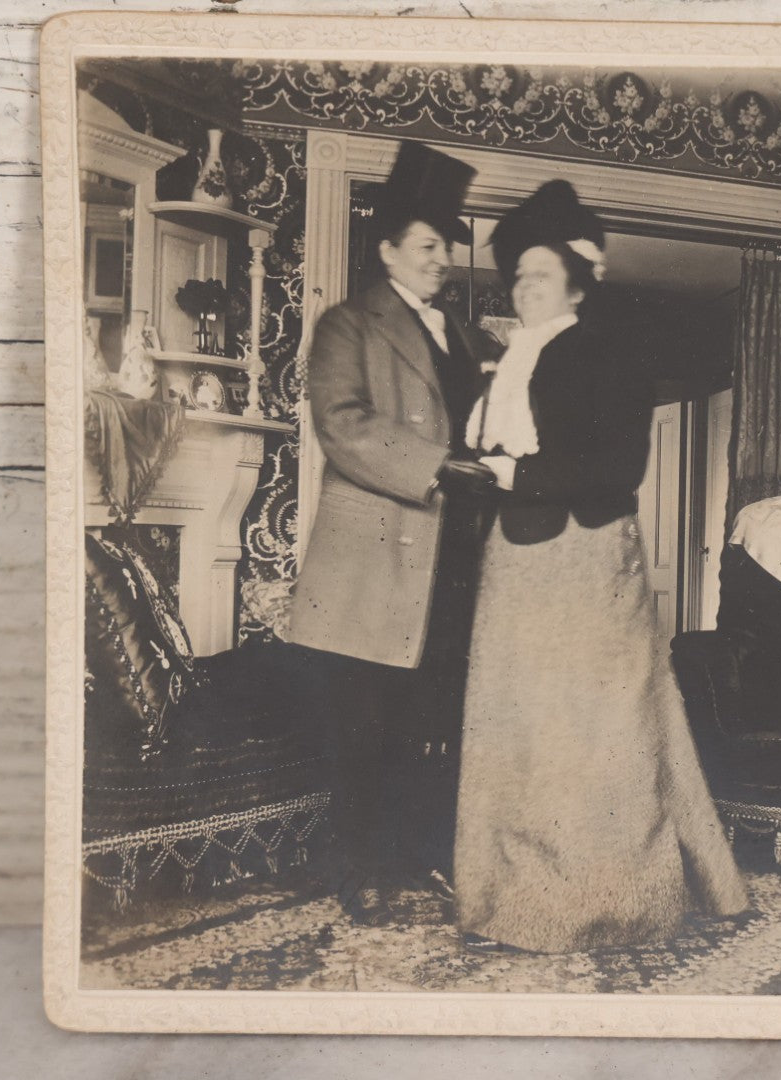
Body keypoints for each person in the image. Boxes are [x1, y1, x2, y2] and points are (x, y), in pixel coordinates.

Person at [452, 180, 750, 953]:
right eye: (517, 277)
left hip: (585, 558)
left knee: (594, 732)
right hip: (514, 560)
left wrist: (518, 475)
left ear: (575, 283)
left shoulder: (605, 349)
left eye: (540, 277)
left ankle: (604, 906)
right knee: (516, 729)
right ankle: (510, 898)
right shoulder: (509, 357)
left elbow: (618, 465)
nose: (524, 288)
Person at [286, 141, 500, 927]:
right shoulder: (348, 325)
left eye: (446, 245)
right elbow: (341, 426)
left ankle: (417, 855)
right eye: (426, 246)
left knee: (429, 723)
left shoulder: (468, 337)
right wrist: (441, 467)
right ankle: (358, 868)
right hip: (373, 568)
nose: (442, 259)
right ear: (387, 252)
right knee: (363, 729)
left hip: (448, 562)